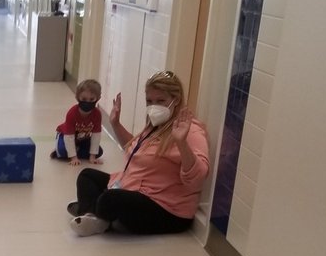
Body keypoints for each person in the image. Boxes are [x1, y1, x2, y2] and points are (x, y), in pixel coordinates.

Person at [68, 70, 209, 236]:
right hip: (135, 188)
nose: (154, 106)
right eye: (149, 101)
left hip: (166, 208)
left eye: (161, 101)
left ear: (176, 100)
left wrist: (181, 143)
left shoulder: (191, 130)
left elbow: (198, 178)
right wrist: (115, 123)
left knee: (109, 199)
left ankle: (93, 209)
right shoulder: (156, 125)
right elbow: (134, 149)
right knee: (87, 176)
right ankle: (93, 215)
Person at [53, 78, 104, 165]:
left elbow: (96, 135)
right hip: (65, 135)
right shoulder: (72, 113)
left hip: (83, 139)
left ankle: (76, 149)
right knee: (62, 152)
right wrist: (73, 157)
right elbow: (69, 137)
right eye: (84, 99)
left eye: (92, 99)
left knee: (99, 152)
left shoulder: (97, 114)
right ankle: (73, 151)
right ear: (77, 98)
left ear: (98, 98)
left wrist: (92, 156)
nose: (88, 102)